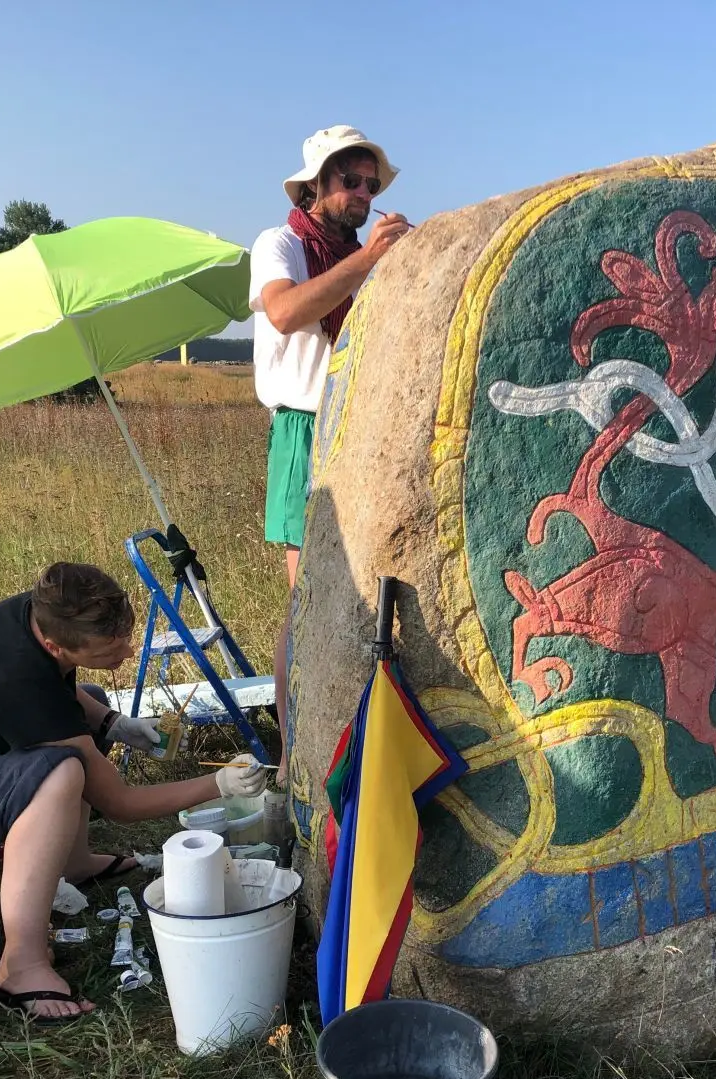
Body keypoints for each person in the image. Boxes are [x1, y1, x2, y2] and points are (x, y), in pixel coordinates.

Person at [0, 562, 269, 1021]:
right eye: (112, 644)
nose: (127, 648)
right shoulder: (14, 680)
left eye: (125, 633)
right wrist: (215, 784)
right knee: (61, 770)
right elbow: (119, 804)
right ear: (56, 642)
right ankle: (20, 963)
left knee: (91, 700)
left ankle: (74, 862)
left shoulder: (38, 614)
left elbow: (58, 695)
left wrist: (111, 722)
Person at [250, 125, 409, 773]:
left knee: (359, 594)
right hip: (303, 427)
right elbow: (285, 313)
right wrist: (369, 261)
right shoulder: (281, 242)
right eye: (349, 179)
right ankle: (294, 754)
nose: (362, 193)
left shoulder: (356, 252)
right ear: (316, 184)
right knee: (308, 599)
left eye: (370, 183)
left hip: (359, 421)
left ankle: (348, 736)